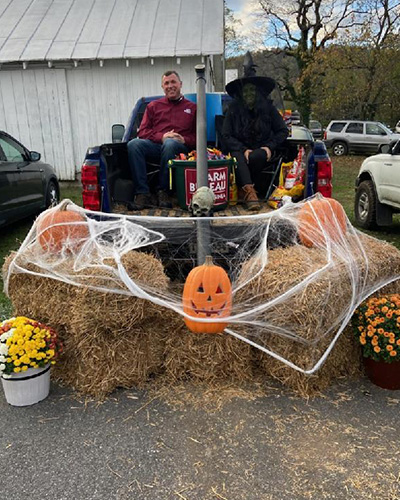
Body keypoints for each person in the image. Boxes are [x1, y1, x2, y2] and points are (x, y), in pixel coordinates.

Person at [127, 70, 196, 209]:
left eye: (173, 82)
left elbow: (199, 137)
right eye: (166, 83)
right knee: (133, 144)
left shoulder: (192, 108)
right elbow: (143, 132)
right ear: (162, 87)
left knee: (171, 144)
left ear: (180, 84)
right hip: (157, 146)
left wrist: (184, 139)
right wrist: (162, 137)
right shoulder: (153, 106)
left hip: (181, 151)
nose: (170, 86)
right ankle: (143, 193)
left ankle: (163, 191)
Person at [222, 76, 289, 210]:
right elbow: (226, 134)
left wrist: (269, 146)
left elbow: (282, 131)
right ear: (241, 94)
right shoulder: (233, 109)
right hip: (239, 150)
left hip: (263, 150)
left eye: (252, 90)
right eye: (245, 91)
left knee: (256, 156)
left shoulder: (269, 109)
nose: (249, 94)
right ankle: (250, 194)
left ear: (258, 92)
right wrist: (243, 148)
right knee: (237, 156)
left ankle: (247, 191)